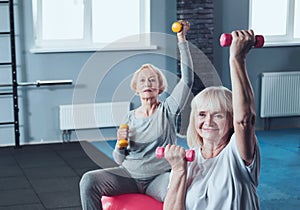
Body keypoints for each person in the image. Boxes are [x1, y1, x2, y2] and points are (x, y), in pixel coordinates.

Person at [79, 20, 193, 210]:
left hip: (158, 178)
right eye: (142, 81)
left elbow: (188, 79)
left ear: (160, 87)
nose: (147, 83)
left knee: (181, 191)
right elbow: (119, 159)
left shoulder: (168, 110)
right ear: (136, 89)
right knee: (88, 181)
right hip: (128, 176)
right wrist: (119, 144)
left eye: (152, 80)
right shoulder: (129, 118)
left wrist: (181, 39)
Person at [163, 29, 261, 210]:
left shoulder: (236, 154)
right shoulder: (188, 160)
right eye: (202, 114)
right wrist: (178, 171)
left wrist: (237, 59)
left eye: (218, 115)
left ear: (231, 120)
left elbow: (245, 121)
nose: (208, 121)